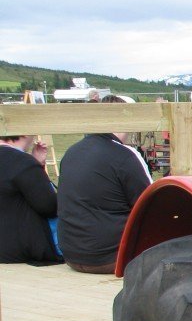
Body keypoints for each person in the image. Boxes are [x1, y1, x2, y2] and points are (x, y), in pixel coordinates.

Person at [56, 109, 152, 274]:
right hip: (112, 258)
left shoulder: (71, 152)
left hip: (71, 255)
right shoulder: (125, 155)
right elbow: (150, 205)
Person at [0, 135, 61, 264]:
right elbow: (49, 207)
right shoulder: (21, 162)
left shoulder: (24, 162)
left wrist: (37, 166)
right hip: (18, 253)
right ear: (25, 134)